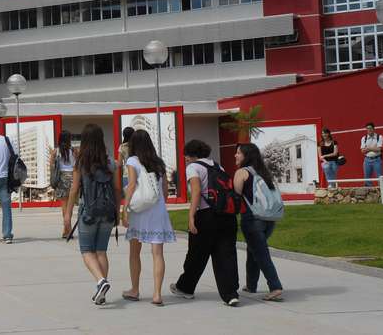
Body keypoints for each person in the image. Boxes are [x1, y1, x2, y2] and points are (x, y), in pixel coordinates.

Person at [171, 139, 240, 307]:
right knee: (226, 254)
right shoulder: (218, 167)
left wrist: (191, 216)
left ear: (192, 155)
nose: (185, 158)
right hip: (226, 215)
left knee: (196, 254)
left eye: (186, 155)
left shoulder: (193, 168)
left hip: (206, 216)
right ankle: (230, 294)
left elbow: (195, 191)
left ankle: (185, 288)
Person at [65, 124, 121, 306]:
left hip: (88, 213)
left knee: (87, 251)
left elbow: (73, 190)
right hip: (107, 212)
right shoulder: (111, 163)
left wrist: (67, 216)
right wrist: (117, 211)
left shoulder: (81, 163)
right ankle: (101, 292)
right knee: (101, 251)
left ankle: (100, 281)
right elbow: (118, 189)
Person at [121, 130, 176, 306]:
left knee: (134, 252)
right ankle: (157, 294)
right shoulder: (159, 162)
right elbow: (165, 190)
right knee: (157, 254)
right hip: (157, 210)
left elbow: (131, 185)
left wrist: (125, 208)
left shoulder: (132, 161)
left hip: (139, 211)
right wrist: (160, 203)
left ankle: (135, 289)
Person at [233, 143, 284, 302]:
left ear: (246, 156)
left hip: (252, 218)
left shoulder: (242, 172)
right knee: (253, 249)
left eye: (238, 153)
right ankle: (251, 285)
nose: (235, 155)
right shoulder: (264, 172)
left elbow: (236, 196)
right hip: (269, 218)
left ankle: (275, 286)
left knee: (261, 253)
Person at [50, 130, 76, 238]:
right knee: (70, 206)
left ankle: (67, 230)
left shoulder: (56, 151)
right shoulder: (74, 150)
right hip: (72, 178)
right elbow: (77, 165)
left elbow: (51, 165)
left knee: (64, 205)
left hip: (61, 179)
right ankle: (67, 230)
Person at [361, 122, 382, 188]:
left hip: (377, 160)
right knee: (367, 178)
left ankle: (382, 192)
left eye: (370, 128)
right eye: (367, 129)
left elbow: (379, 149)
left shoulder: (379, 137)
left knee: (380, 177)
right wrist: (373, 148)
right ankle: (370, 193)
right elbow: (362, 151)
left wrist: (368, 148)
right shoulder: (364, 138)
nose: (369, 130)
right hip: (367, 160)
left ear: (373, 129)